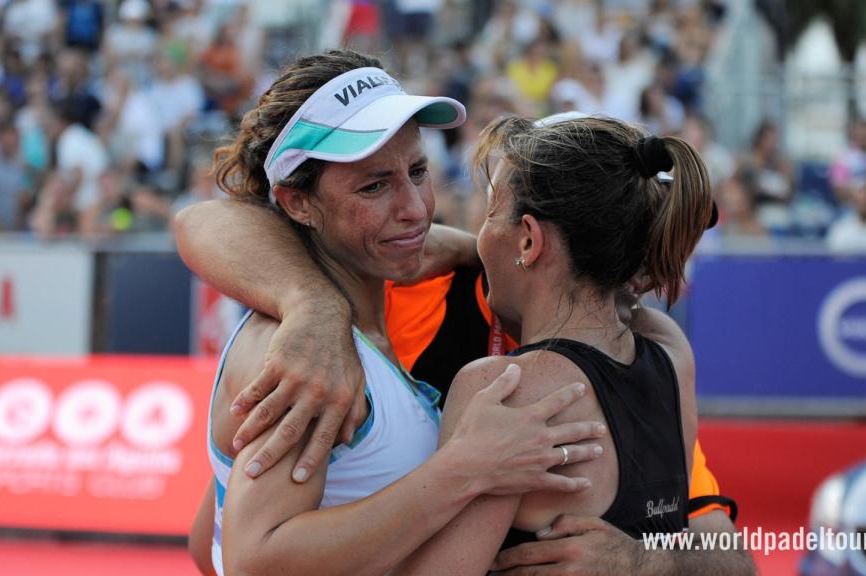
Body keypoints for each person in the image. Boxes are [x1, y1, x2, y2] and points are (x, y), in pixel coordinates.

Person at [177, 118, 754, 575]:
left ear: (528, 237)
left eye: (490, 212)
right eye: (378, 185)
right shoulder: (668, 348)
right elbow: (205, 224)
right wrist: (313, 303)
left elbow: (221, 549)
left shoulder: (501, 385)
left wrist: (641, 564)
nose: (419, 212)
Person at [188, 50, 605, 576]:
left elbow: (209, 545)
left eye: (418, 171)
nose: (414, 207)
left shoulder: (339, 321)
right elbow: (256, 559)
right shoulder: (304, 354)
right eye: (374, 185)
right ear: (296, 203)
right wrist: (465, 468)